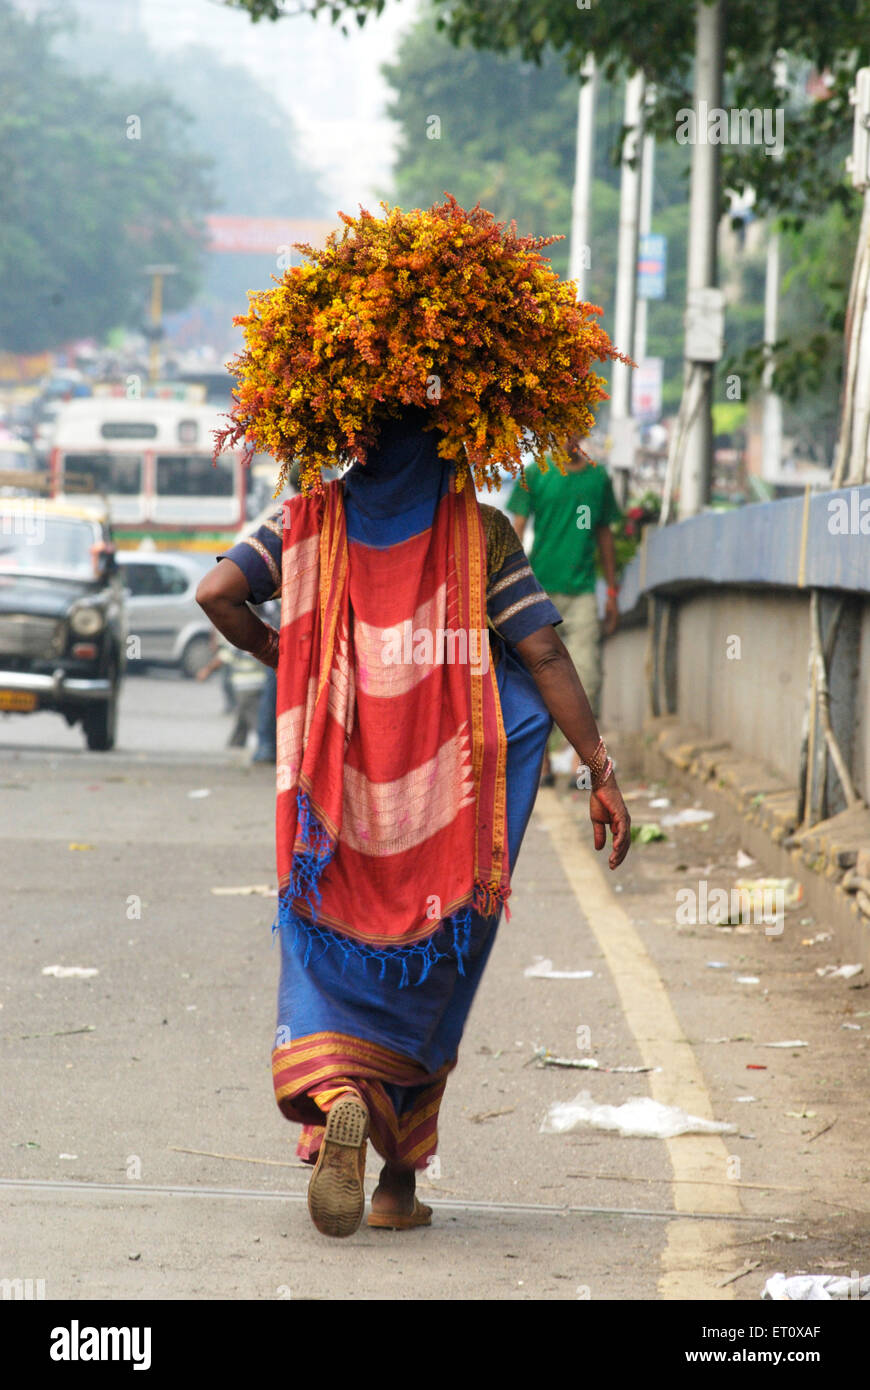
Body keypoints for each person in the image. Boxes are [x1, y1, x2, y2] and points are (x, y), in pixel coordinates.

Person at [196, 410, 631, 1239]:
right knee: (434, 979)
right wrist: (599, 770)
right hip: (449, 817)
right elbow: (542, 654)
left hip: (334, 816)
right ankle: (397, 1187)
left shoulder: (303, 521)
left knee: (327, 959)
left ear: (353, 441)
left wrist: (285, 658)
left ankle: (342, 1098)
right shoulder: (481, 536)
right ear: (450, 447)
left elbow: (216, 593)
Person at [507, 432, 622, 783]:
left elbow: (604, 534)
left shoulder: (597, 478)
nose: (565, 436)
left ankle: (579, 760)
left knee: (588, 674)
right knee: (536, 675)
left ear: (580, 431)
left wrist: (612, 591)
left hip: (584, 590)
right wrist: (510, 589)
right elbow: (517, 529)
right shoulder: (536, 474)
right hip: (539, 592)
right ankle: (539, 762)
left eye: (572, 428)